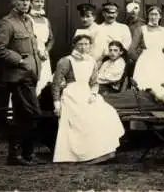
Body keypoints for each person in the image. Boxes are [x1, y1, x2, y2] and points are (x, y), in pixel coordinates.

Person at [0, 0, 45, 165]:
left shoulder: (27, 21)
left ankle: (24, 155)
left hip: (30, 75)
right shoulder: (7, 23)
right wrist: (19, 60)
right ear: (13, 1)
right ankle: (17, 155)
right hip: (18, 77)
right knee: (31, 113)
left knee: (24, 115)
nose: (25, 3)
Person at [52, 33, 125, 163]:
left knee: (107, 113)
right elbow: (56, 84)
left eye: (86, 44)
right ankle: (86, 153)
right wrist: (56, 104)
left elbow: (94, 82)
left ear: (90, 46)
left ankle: (104, 150)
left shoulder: (91, 61)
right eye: (80, 44)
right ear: (74, 45)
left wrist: (93, 94)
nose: (83, 47)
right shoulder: (66, 61)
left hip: (87, 93)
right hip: (71, 95)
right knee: (86, 118)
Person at [130, 5, 164, 91]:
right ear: (148, 16)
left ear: (160, 16)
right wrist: (140, 60)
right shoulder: (141, 29)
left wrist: (163, 59)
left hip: (160, 62)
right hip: (145, 62)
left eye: (156, 14)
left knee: (160, 87)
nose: (153, 17)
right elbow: (132, 49)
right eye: (151, 14)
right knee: (144, 87)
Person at [28, 0, 54, 97]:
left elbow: (51, 39)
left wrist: (46, 51)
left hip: (44, 55)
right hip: (32, 54)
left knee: (44, 81)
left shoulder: (45, 20)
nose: (40, 4)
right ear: (30, 2)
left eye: (42, 1)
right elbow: (30, 38)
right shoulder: (27, 18)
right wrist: (38, 52)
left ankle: (40, 109)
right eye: (37, 1)